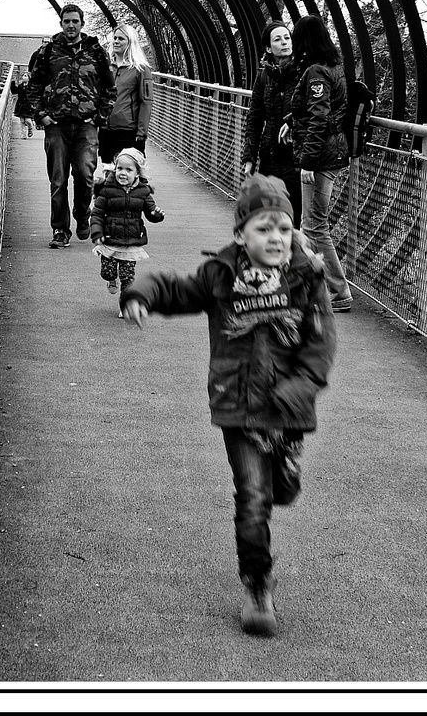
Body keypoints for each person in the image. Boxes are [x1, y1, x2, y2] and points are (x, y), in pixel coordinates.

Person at [121, 176, 335, 636]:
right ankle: (258, 583)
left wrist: (301, 388)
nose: (275, 237)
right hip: (237, 404)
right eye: (263, 228)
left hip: (286, 406)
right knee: (253, 497)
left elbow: (320, 345)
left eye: (283, 227)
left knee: (277, 487)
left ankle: (285, 460)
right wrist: (142, 292)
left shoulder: (306, 277)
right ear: (241, 234)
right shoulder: (222, 275)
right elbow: (179, 289)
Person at [20, 4, 114, 248]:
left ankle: (82, 215)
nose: (70, 25)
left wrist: (98, 118)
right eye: (66, 21)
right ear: (61, 23)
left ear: (82, 23)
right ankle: (60, 230)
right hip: (57, 127)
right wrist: (41, 115)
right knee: (58, 180)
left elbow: (110, 89)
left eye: (75, 21)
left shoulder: (96, 52)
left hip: (87, 126)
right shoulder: (48, 51)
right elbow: (34, 86)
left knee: (84, 176)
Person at [289, 14, 353, 313]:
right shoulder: (335, 67)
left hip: (321, 156)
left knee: (314, 225)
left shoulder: (316, 72)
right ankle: (315, 287)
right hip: (330, 152)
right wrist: (292, 121)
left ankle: (338, 291)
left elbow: (319, 118)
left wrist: (307, 162)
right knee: (312, 223)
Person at [88, 147, 164, 311]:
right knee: (107, 272)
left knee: (128, 277)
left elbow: (150, 212)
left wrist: (156, 214)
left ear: (137, 173)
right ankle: (111, 278)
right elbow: (97, 213)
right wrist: (96, 231)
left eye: (128, 170)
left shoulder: (143, 191)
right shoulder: (107, 189)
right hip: (110, 239)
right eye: (120, 168)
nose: (123, 173)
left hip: (131, 241)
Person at [239, 20, 303, 213]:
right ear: (268, 48)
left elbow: (313, 109)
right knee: (267, 211)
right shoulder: (264, 77)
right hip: (269, 156)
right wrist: (249, 157)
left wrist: (293, 122)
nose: (284, 42)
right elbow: (255, 117)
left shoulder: (303, 73)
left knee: (294, 213)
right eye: (278, 39)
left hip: (297, 156)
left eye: (287, 38)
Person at [99, 23, 153, 171]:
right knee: (108, 170)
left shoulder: (141, 69)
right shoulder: (106, 67)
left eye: (121, 38)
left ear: (130, 42)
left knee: (129, 172)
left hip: (128, 130)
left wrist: (142, 132)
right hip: (106, 129)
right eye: (114, 38)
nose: (116, 41)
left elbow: (146, 102)